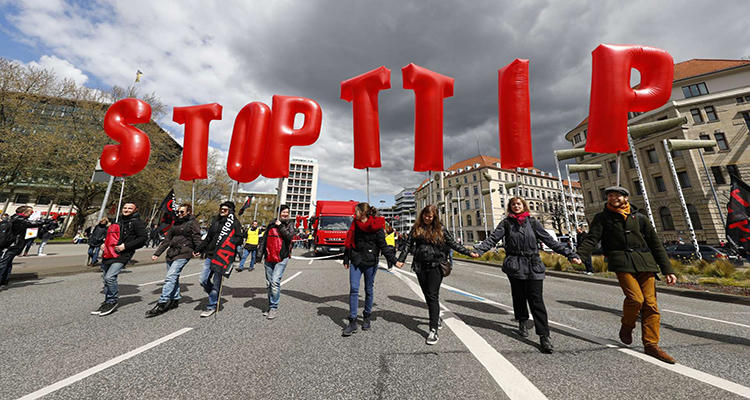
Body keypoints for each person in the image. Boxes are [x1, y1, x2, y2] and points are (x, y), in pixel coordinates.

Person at [577, 186, 678, 364]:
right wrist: (580, 255)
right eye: (609, 195)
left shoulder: (639, 217)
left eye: (617, 195)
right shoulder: (602, 218)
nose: (613, 198)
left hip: (645, 262)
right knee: (635, 299)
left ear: (626, 197)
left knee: (651, 305)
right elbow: (592, 238)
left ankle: (651, 344)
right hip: (621, 261)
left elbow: (655, 244)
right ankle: (627, 324)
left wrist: (668, 270)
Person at [474, 197, 581, 353]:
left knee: (536, 299)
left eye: (519, 204)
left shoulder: (532, 223)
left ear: (523, 206)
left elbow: (549, 240)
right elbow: (493, 239)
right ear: (510, 208)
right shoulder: (506, 223)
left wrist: (569, 254)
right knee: (518, 296)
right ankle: (522, 321)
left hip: (533, 264)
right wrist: (478, 251)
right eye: (513, 205)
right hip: (515, 264)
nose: (516, 206)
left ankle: (544, 336)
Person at [396, 205, 478, 345]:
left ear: (434, 217)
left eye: (430, 216)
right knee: (427, 295)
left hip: (436, 266)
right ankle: (436, 317)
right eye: (425, 215)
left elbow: (453, 244)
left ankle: (433, 329)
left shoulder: (441, 229)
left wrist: (469, 253)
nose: (427, 218)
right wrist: (401, 259)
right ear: (422, 215)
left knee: (433, 295)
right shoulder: (416, 228)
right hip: (420, 266)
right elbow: (408, 244)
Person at [341, 203, 397, 337]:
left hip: (371, 261)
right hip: (356, 260)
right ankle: (353, 321)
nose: (355, 214)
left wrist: (394, 260)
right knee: (354, 289)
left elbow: (383, 246)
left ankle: (366, 316)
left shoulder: (376, 226)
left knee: (368, 289)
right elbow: (349, 241)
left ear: (363, 213)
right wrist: (346, 258)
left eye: (357, 211)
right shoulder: (355, 224)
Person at [91, 202, 147, 316]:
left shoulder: (137, 223)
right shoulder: (119, 220)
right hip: (110, 252)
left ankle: (112, 301)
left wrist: (125, 246)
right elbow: (110, 236)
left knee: (110, 277)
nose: (126, 210)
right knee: (105, 279)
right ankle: (107, 301)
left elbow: (143, 239)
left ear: (135, 210)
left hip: (123, 254)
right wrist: (104, 244)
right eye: (125, 208)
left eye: (130, 208)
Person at [147, 204, 202, 317]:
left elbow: (196, 237)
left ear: (188, 212)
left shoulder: (193, 223)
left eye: (182, 212)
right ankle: (175, 299)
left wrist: (198, 249)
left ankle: (162, 302)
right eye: (178, 212)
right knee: (174, 277)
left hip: (184, 252)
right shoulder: (175, 223)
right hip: (172, 253)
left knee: (170, 277)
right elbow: (167, 240)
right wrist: (157, 253)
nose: (179, 214)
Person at [194, 201, 244, 317]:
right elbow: (208, 238)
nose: (222, 211)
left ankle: (211, 305)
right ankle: (214, 294)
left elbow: (239, 239)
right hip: (210, 255)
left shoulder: (235, 223)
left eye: (225, 210)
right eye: (221, 209)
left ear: (230, 211)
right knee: (203, 280)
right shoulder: (215, 221)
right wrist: (199, 249)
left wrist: (229, 241)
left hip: (222, 257)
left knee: (217, 283)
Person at [255, 204, 294, 320]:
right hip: (269, 256)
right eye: (283, 212)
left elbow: (289, 237)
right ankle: (270, 304)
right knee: (269, 283)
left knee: (275, 282)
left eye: (287, 212)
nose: (285, 214)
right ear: (278, 213)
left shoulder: (289, 224)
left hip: (281, 257)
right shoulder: (271, 224)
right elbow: (264, 240)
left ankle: (273, 307)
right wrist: (259, 255)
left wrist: (281, 226)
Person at [0, 206, 44, 287]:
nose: (32, 214)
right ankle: (2, 280)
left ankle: (4, 280)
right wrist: (43, 221)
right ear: (24, 212)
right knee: (4, 262)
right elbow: (31, 224)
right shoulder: (19, 219)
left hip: (11, 244)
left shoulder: (15, 218)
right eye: (30, 212)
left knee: (7, 262)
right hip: (11, 244)